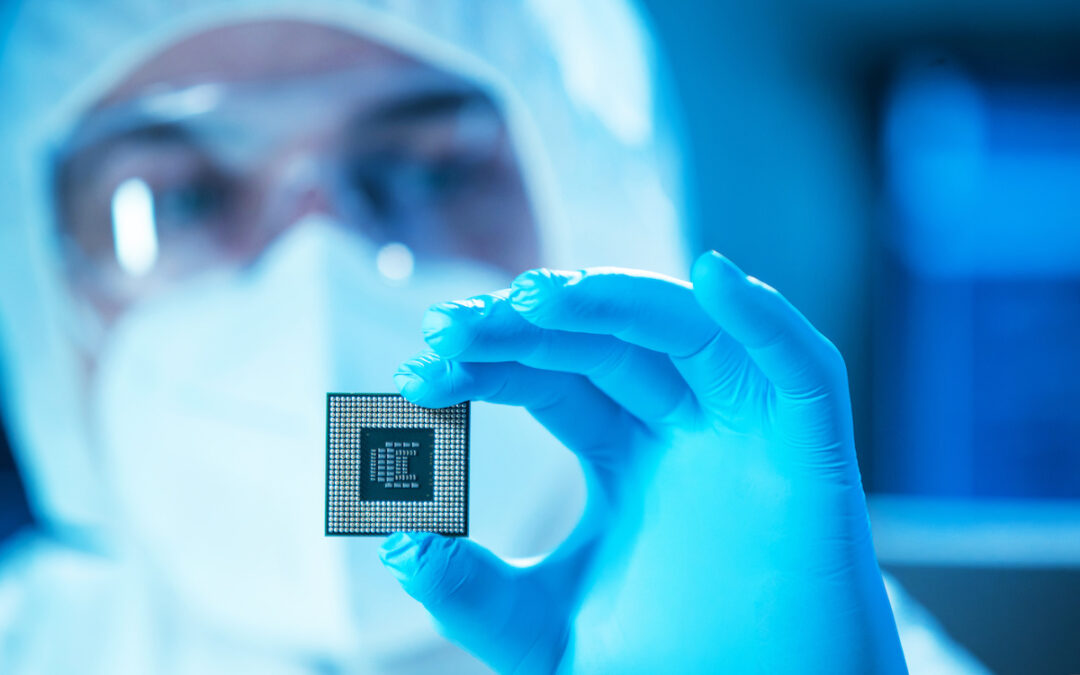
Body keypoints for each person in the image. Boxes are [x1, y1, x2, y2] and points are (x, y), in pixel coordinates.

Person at [0, 1, 989, 673]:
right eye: (181, 198)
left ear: (602, 217)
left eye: (432, 171)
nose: (318, 279)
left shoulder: (797, 624)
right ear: (46, 298)